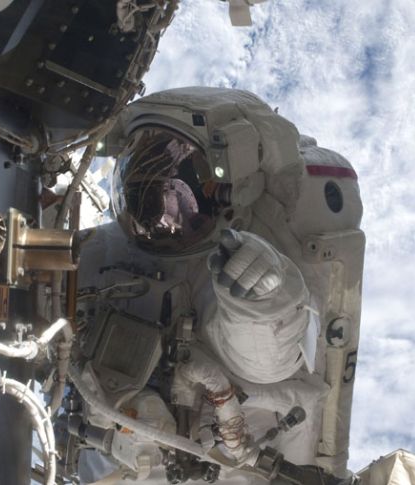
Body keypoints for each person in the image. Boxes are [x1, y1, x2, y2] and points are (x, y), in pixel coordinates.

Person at [71, 87, 364, 484]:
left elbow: (265, 361)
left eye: (180, 188)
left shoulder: (235, 260)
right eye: (144, 174)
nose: (159, 206)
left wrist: (262, 304)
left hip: (214, 449)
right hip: (115, 449)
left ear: (234, 192)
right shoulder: (107, 248)